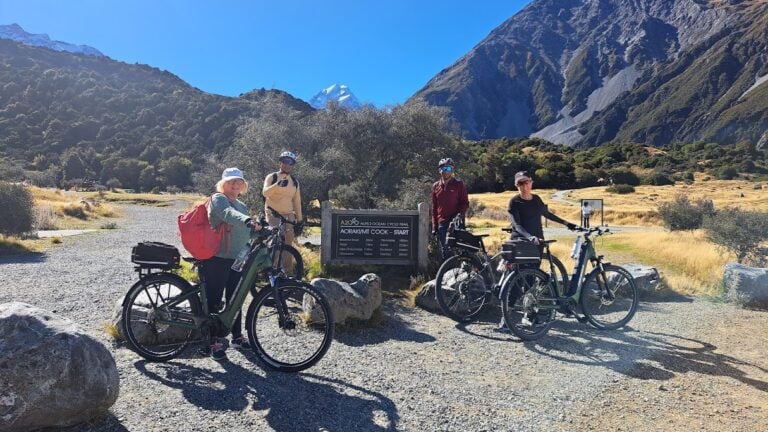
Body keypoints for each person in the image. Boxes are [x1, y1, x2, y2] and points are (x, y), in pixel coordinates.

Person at [499, 170, 578, 330]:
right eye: (520, 183)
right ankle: (505, 320)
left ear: (531, 183)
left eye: (526, 182)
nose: (524, 186)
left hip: (536, 246)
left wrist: (566, 223)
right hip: (521, 245)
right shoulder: (514, 202)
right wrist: (530, 237)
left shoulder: (536, 200)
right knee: (516, 282)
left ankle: (530, 315)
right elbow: (517, 225)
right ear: (516, 186)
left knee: (531, 283)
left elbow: (547, 214)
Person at [199, 167, 262, 361]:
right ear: (223, 184)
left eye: (239, 181)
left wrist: (260, 230)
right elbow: (227, 215)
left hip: (237, 259)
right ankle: (212, 341)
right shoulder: (218, 199)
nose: (235, 184)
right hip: (218, 258)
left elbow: (245, 231)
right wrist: (248, 220)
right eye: (231, 181)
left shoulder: (241, 204)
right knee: (215, 299)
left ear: (243, 185)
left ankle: (237, 336)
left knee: (236, 298)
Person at [262, 151, 303, 270]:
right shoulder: (272, 177)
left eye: (291, 163)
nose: (287, 165)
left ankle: (287, 272)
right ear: (280, 163)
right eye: (285, 162)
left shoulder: (294, 181)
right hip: (273, 214)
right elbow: (265, 193)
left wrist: (299, 220)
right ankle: (271, 270)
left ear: (293, 165)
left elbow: (297, 201)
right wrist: (277, 185)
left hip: (288, 215)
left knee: (288, 244)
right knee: (275, 242)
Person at [431, 157, 469, 260]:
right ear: (439, 171)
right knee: (445, 250)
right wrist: (435, 226)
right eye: (442, 168)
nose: (445, 171)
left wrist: (459, 215)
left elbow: (465, 203)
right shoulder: (436, 186)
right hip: (442, 222)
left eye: (448, 168)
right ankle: (447, 273)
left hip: (457, 221)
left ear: (452, 170)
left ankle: (464, 271)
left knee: (461, 248)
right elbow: (434, 207)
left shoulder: (458, 184)